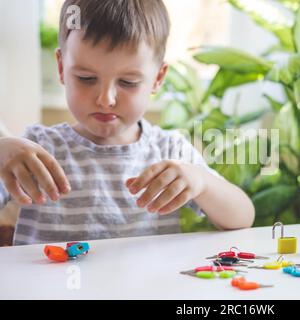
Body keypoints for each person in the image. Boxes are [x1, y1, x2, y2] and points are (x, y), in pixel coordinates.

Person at [0, 0, 255, 246]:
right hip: (47, 290)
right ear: (61, 67)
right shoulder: (37, 149)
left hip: (145, 290)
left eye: (128, 82)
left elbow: (242, 218)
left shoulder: (170, 151)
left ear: (157, 78)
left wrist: (202, 182)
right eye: (86, 78)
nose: (105, 99)